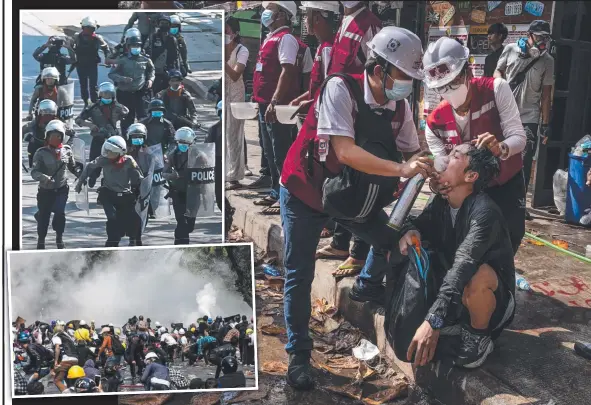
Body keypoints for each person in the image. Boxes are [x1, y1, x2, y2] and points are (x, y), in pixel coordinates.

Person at [280, 26, 431, 390]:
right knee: (299, 274)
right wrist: (401, 169)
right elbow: (344, 151)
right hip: (306, 190)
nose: (408, 85)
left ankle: (366, 286)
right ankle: (299, 356)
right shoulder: (340, 88)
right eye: (404, 77)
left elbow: (414, 150)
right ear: (379, 71)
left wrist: (427, 166)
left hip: (350, 197)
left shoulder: (399, 106)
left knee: (393, 237)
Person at [400, 145, 516, 369]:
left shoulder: (485, 213)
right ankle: (456, 321)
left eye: (454, 156)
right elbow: (417, 223)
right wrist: (409, 230)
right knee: (411, 247)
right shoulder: (442, 203)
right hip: (458, 293)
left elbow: (464, 264)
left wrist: (434, 319)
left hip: (492, 298)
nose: (443, 160)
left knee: (476, 276)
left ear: (471, 176)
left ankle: (479, 335)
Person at [422, 37, 526, 254]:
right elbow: (441, 163)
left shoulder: (496, 90)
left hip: (505, 181)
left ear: (468, 73)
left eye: (453, 82)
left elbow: (518, 136)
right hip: (468, 188)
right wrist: (437, 180)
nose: (449, 90)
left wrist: (501, 148)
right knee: (464, 240)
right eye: (441, 87)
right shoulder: (434, 122)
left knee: (508, 236)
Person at [316, 0, 383, 276]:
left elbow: (377, 71)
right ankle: (341, 241)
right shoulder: (345, 22)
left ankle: (358, 251)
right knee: (342, 176)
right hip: (341, 106)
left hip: (361, 110)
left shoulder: (369, 22)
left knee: (359, 179)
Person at [251, 1, 309, 215]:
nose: (266, 13)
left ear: (283, 16)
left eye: (272, 10)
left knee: (281, 150)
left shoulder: (286, 39)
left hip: (278, 106)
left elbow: (287, 71)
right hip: (264, 104)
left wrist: (275, 101)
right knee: (270, 150)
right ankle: (276, 190)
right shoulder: (270, 38)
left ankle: (286, 194)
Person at [495, 20, 555, 220]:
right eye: (539, 37)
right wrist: (498, 86)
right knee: (498, 154)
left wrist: (545, 124)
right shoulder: (511, 50)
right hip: (505, 113)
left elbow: (546, 95)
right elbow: (498, 71)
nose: (542, 42)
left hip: (529, 117)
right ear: (529, 36)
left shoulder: (547, 61)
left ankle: (519, 203)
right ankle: (495, 198)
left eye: (545, 38)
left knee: (524, 160)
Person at [75, 135, 144, 247]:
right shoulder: (103, 160)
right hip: (108, 195)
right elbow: (89, 167)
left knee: (133, 222)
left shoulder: (129, 161)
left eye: (111, 152)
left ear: (120, 152)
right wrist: (80, 181)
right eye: (106, 150)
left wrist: (142, 189)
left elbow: (139, 176)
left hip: (125, 195)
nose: (107, 153)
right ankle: (110, 247)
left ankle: (134, 243)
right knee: (112, 221)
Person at [30, 120, 80, 250]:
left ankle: (59, 238)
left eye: (58, 136)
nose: (55, 139)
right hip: (45, 190)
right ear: (47, 137)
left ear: (62, 137)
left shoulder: (67, 151)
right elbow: (34, 172)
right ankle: (41, 241)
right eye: (52, 136)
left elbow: (72, 167)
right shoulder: (40, 153)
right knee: (44, 217)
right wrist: (43, 177)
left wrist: (80, 174)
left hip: (62, 189)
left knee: (60, 214)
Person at [76, 81, 130, 188]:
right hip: (98, 138)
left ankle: (106, 186)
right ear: (100, 95)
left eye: (110, 95)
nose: (107, 97)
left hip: (113, 140)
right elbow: (78, 119)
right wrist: (90, 125)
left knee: (113, 164)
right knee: (94, 163)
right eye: (105, 95)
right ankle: (93, 177)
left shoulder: (118, 107)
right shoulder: (93, 107)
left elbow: (126, 113)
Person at [108, 33, 155, 138]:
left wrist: (150, 80)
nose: (136, 48)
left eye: (138, 46)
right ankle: (126, 140)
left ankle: (143, 139)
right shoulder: (122, 60)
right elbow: (111, 74)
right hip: (125, 94)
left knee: (143, 117)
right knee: (126, 118)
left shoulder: (145, 59)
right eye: (133, 46)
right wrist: (122, 79)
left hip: (140, 93)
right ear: (128, 47)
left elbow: (151, 70)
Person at [224, 16, 249, 190]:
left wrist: (223, 60)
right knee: (224, 134)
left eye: (227, 31)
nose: (225, 34)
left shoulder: (242, 50)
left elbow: (235, 75)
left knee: (234, 134)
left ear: (235, 32)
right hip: (224, 94)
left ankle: (234, 175)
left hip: (236, 94)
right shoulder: (224, 48)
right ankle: (225, 171)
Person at [163, 126, 198, 244]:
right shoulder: (171, 155)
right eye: (180, 142)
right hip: (178, 192)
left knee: (189, 226)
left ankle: (180, 237)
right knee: (182, 222)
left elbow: (207, 173)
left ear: (192, 143)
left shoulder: (199, 156)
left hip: (193, 193)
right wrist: (172, 176)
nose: (183, 145)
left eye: (186, 143)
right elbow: (164, 172)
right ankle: (180, 245)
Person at [72, 17, 111, 107]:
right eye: (87, 28)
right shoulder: (77, 37)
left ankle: (94, 103)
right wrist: (73, 60)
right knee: (83, 85)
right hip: (80, 65)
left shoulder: (97, 38)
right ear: (83, 28)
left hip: (92, 65)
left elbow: (106, 48)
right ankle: (86, 102)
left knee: (93, 85)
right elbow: (71, 49)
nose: (89, 31)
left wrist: (108, 59)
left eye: (91, 29)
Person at [144, 14, 180, 94]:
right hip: (156, 70)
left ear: (169, 25)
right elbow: (148, 52)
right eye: (162, 23)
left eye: (166, 23)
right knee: (155, 92)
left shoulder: (172, 39)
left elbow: (176, 56)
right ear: (158, 24)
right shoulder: (153, 37)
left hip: (169, 71)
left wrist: (177, 70)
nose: (164, 25)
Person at [52, 322, 79, 392]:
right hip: (75, 360)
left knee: (57, 380)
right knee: (69, 378)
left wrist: (55, 361)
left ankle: (67, 394)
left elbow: (57, 348)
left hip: (67, 360)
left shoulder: (56, 336)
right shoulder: (68, 336)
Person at [207, 100, 223, 211]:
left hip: (229, 161)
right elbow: (207, 147)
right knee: (218, 188)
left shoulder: (233, 128)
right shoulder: (213, 129)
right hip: (217, 161)